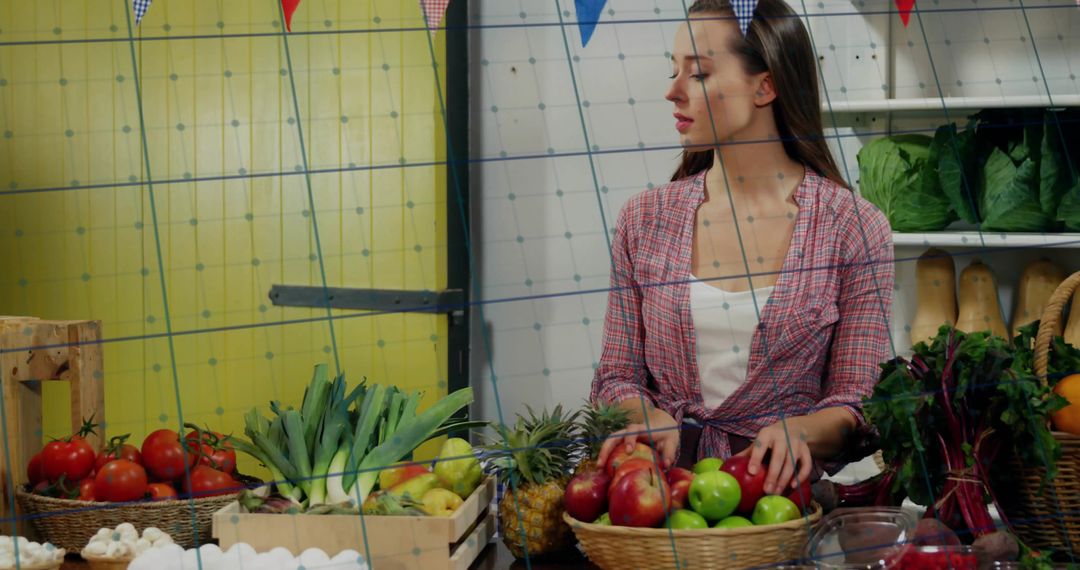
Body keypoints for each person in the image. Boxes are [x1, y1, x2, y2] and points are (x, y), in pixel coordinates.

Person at [591, 0, 895, 498]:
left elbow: (857, 402)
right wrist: (641, 412)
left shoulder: (856, 228)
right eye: (675, 72)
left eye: (699, 73)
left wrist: (802, 429)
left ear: (765, 86)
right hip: (656, 502)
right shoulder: (642, 221)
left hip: (784, 509)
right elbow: (616, 375)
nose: (672, 92)